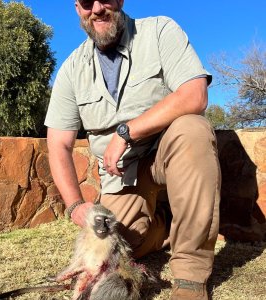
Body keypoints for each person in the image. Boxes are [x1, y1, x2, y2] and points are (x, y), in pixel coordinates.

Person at [45, 1, 221, 299]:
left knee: (193, 129)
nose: (98, 8)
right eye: (88, 2)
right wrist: (76, 206)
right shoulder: (71, 69)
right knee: (119, 245)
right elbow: (58, 144)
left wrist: (127, 132)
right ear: (77, 8)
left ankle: (190, 277)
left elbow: (195, 95)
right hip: (122, 177)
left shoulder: (159, 30)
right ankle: (165, 227)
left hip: (169, 155)